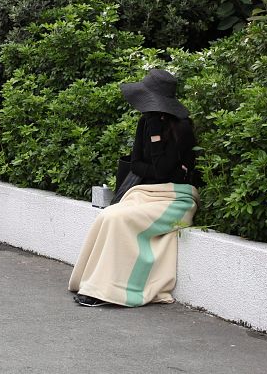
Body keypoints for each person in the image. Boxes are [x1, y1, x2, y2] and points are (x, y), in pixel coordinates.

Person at [69, 68, 199, 308]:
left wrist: (157, 139)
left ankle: (107, 291)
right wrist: (154, 144)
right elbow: (137, 164)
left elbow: (161, 171)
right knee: (108, 215)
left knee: (120, 219)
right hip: (145, 193)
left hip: (175, 200)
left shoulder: (182, 129)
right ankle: (91, 282)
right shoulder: (146, 122)